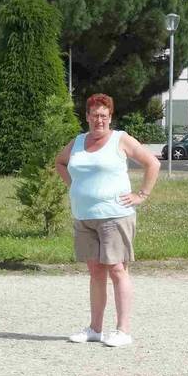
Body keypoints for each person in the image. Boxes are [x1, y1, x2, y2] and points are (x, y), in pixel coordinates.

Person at [55, 93, 160, 348]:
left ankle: (123, 330)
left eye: (103, 115)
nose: (99, 120)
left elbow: (152, 163)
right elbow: (60, 162)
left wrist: (142, 195)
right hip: (84, 217)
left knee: (117, 269)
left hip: (115, 215)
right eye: (94, 115)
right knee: (95, 271)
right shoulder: (78, 142)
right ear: (87, 117)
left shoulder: (120, 139)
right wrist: (74, 186)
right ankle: (95, 329)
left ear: (110, 117)